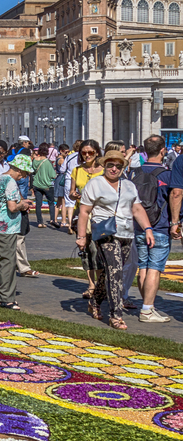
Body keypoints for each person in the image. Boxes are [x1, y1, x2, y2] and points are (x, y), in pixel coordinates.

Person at [77, 149, 154, 330]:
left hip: (127, 233)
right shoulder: (95, 184)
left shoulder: (128, 185)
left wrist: (148, 229)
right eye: (110, 165)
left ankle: (95, 302)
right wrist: (81, 237)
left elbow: (137, 209)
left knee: (111, 271)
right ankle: (116, 315)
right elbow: (84, 212)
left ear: (122, 168)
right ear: (104, 165)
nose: (114, 169)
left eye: (118, 166)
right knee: (115, 272)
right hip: (106, 233)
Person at [131, 135, 172, 323]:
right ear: (163, 151)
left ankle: (148, 305)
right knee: (154, 268)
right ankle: (147, 309)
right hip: (160, 225)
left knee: (144, 267)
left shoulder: (134, 173)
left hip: (139, 225)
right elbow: (174, 197)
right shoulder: (167, 174)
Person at [0, 154, 35, 310]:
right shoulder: (11, 182)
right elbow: (12, 207)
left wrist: (21, 202)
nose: (25, 176)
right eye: (26, 173)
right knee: (8, 261)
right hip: (6, 227)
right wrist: (23, 205)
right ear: (20, 171)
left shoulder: (1, 178)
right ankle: (6, 298)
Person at [69, 139, 104, 299]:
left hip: (99, 215)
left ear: (97, 152)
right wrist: (73, 194)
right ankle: (91, 285)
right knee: (86, 251)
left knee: (99, 251)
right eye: (84, 153)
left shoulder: (103, 171)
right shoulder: (77, 170)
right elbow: (71, 191)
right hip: (82, 214)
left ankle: (102, 284)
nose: (87, 155)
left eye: (91, 152)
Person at [31, 144, 58, 228]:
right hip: (47, 185)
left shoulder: (34, 160)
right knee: (51, 202)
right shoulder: (47, 161)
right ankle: (52, 219)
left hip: (37, 185)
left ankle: (39, 222)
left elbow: (33, 171)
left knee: (38, 204)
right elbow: (53, 175)